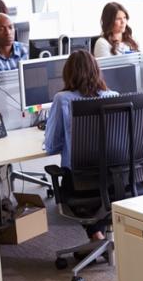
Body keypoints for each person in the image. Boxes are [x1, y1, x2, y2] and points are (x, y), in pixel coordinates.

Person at [44, 50, 118, 241]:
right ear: (97, 71)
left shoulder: (63, 99)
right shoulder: (114, 96)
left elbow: (51, 146)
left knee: (79, 181)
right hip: (116, 181)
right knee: (103, 193)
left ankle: (97, 236)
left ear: (68, 74)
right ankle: (99, 235)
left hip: (80, 185)